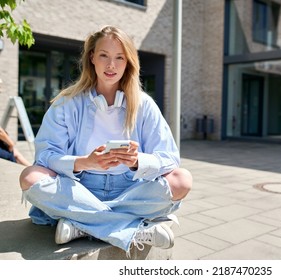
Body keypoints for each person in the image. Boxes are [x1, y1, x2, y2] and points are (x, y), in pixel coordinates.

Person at [18, 25, 192, 255]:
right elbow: (45, 155)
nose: (111, 65)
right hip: (80, 187)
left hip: (130, 187)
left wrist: (137, 161)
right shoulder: (67, 102)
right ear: (92, 57)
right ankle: (133, 228)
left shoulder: (144, 104)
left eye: (119, 58)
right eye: (104, 56)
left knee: (183, 180)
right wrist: (85, 163)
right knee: (30, 177)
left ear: (128, 61)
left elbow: (170, 158)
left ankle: (81, 222)